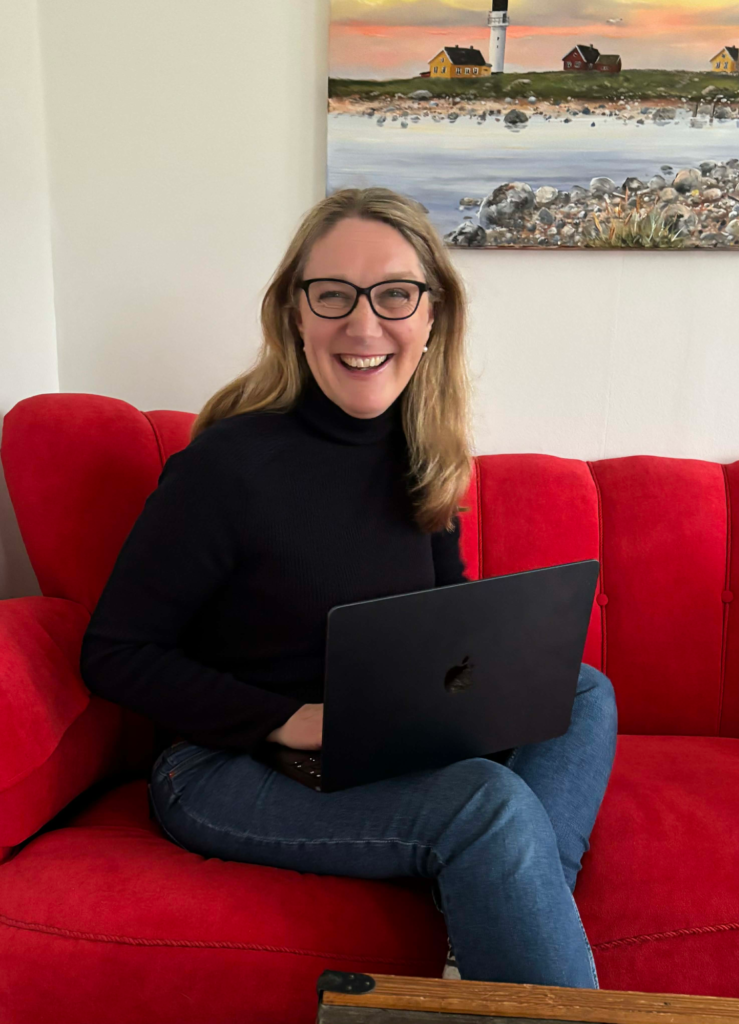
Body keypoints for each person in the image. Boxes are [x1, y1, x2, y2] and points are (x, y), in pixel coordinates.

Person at [79, 186, 618, 989]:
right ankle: (502, 896)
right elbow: (114, 652)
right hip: (226, 768)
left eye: (394, 294)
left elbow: (444, 623)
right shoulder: (226, 468)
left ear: (432, 315)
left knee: (580, 690)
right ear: (295, 315)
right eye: (332, 295)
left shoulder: (420, 451)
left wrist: (478, 690)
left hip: (373, 741)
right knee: (486, 803)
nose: (363, 326)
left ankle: (498, 907)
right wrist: (287, 720)